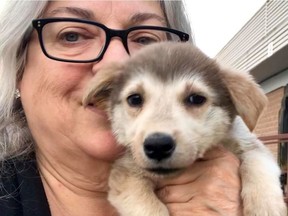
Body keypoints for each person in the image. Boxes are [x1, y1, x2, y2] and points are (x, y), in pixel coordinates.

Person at [0, 1, 242, 215]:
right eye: (72, 35)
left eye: (145, 40)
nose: (118, 62)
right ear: (18, 65)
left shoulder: (240, 183)